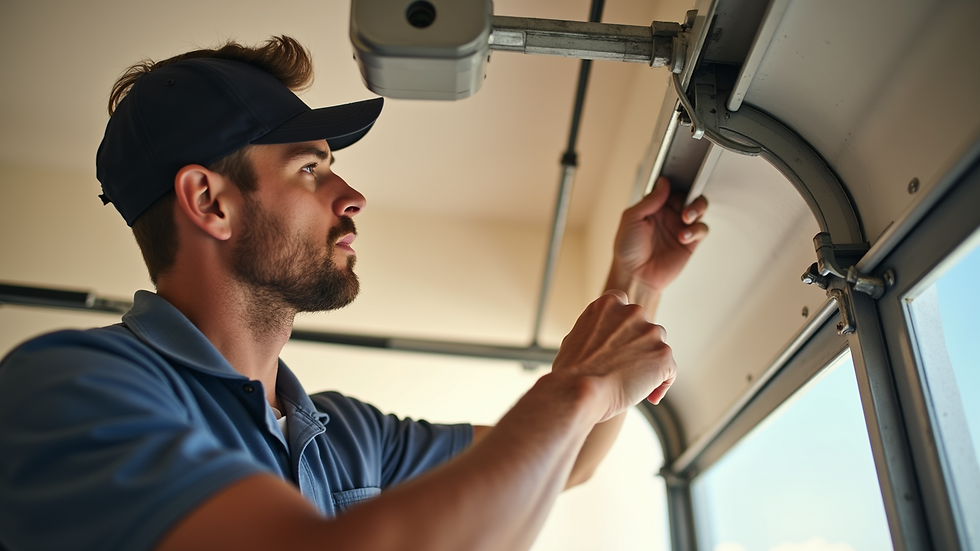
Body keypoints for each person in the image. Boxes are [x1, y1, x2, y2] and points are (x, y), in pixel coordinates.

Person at [0, 36, 708, 551]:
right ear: (210, 201)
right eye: (311, 169)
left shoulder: (347, 437)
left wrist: (636, 282)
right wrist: (577, 387)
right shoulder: (70, 389)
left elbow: (568, 460)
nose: (353, 195)